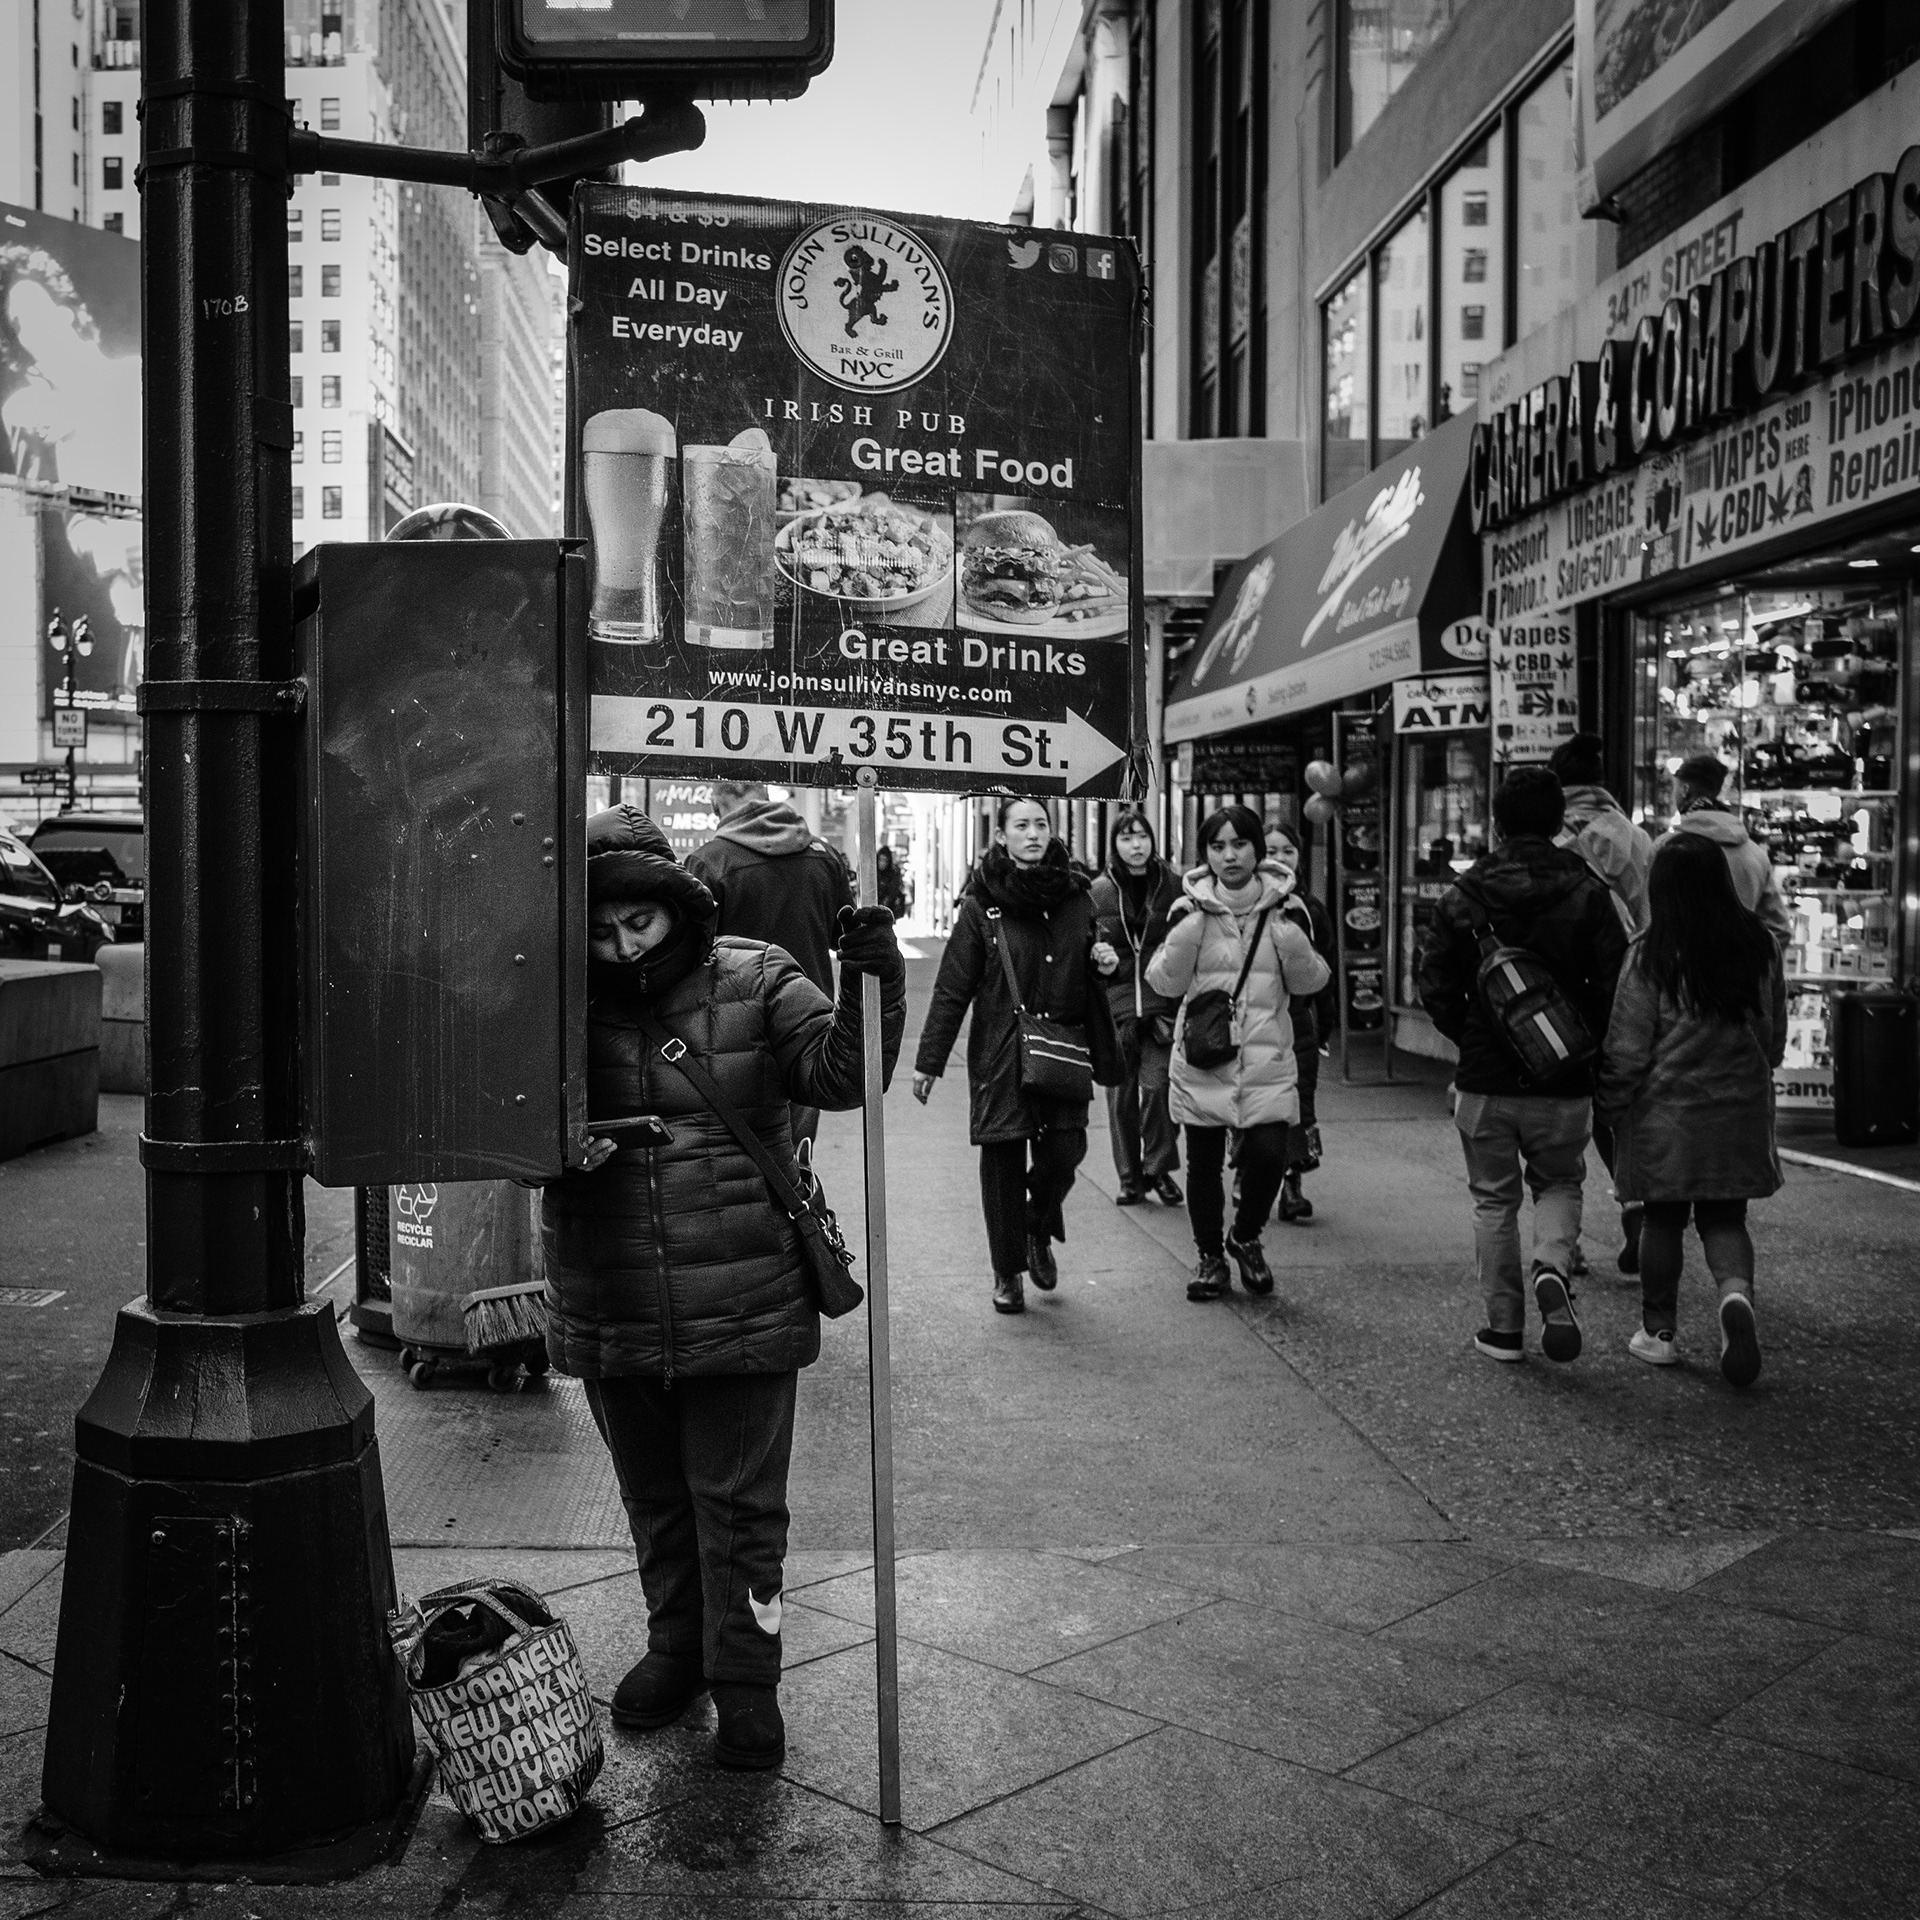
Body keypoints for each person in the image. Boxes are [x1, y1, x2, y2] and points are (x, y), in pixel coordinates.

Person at [542, 805, 905, 1770]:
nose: (624, 947)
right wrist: (551, 1152)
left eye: (640, 923)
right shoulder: (550, 1001)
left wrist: (873, 977)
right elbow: (499, 1123)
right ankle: (676, 1650)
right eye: (602, 930)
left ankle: (745, 1680)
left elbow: (843, 1076)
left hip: (744, 1288)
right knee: (653, 1498)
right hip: (611, 1286)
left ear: (676, 906)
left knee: (740, 1507)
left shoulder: (757, 975)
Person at [1415, 766, 1628, 1365]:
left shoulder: (1464, 895)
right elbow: (1615, 986)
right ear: (1559, 821)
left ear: (1498, 822)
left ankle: (1504, 1329)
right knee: (1559, 1181)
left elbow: (1434, 985)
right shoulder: (1589, 892)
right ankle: (1552, 1265)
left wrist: (1477, 1036)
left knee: (1493, 1200)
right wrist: (1580, 1042)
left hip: (1485, 1080)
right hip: (1565, 1078)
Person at [912, 795, 1120, 1315]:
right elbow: (953, 987)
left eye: (1041, 824)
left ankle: (1036, 1226)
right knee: (1003, 1162)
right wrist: (929, 1061)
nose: (1033, 833)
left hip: (1061, 1048)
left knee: (1066, 1151)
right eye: (1021, 825)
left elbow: (1087, 967)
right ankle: (1007, 1271)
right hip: (1001, 1052)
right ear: (1002, 836)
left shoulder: (1077, 897)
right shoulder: (982, 904)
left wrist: (1103, 963)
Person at [1595, 833, 1784, 1387]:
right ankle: (1734, 1298)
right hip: (1737, 1110)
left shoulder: (1651, 952)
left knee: (1663, 1219)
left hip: (1667, 1114)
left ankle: (1659, 1333)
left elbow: (1627, 1047)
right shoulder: (1759, 945)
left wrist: (1609, 1104)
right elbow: (1772, 1034)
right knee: (1725, 1218)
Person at [1146, 805, 1330, 1302]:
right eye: (1218, 846)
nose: (1229, 855)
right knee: (1204, 1165)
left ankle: (1245, 1237)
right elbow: (1163, 983)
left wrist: (1290, 938)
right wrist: (1186, 934)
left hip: (1267, 1058)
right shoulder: (1186, 910)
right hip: (1206, 1057)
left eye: (1240, 844)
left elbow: (1311, 983)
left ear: (1257, 850)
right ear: (1206, 853)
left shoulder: (1290, 909)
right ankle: (1210, 1258)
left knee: (1270, 1155)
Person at [688, 779, 857, 1147]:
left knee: (737, 1153)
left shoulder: (708, 862)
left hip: (729, 1031)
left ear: (717, 804)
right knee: (796, 1151)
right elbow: (846, 939)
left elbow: (687, 957)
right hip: (809, 1022)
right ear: (766, 797)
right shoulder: (825, 856)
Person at [1548, 731, 1655, 1273]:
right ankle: (1636, 1206)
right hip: (1633, 986)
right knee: (1620, 1105)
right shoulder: (1635, 837)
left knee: (1561, 1113)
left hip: (1563, 993)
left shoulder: (1551, 838)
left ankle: (1562, 1242)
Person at [1088, 810, 1184, 1208]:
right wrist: (1099, 961)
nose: (1136, 845)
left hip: (1162, 1007)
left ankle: (1157, 1168)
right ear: (1114, 844)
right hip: (1118, 1011)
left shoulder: (1172, 886)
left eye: (1142, 836)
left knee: (1159, 1089)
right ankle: (1130, 1179)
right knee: (1121, 1100)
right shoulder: (1099, 892)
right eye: (1126, 838)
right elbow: (1085, 952)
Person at [1267, 822, 1337, 1222]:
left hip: (1298, 1021)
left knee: (1299, 1101)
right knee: (1257, 1103)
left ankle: (1292, 1183)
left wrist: (1323, 1026)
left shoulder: (1312, 910)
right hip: (1253, 1022)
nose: (1280, 859)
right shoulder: (1241, 904)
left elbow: (1325, 976)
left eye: (1288, 851)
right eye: (1271, 851)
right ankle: (1251, 1174)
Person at [1653, 753, 1791, 944]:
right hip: (1739, 959)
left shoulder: (1665, 848)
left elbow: (1647, 919)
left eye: (1675, 787)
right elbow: (1780, 930)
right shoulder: (1755, 854)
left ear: (1684, 790)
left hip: (1678, 960)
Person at [1549, 732, 1653, 932]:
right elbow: (1646, 914)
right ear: (1600, 780)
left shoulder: (1550, 836)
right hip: (1629, 947)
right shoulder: (1638, 836)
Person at [874, 844, 909, 921]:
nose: (882, 863)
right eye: (880, 860)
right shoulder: (873, 873)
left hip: (889, 908)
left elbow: (893, 891)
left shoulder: (893, 873)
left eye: (885, 860)